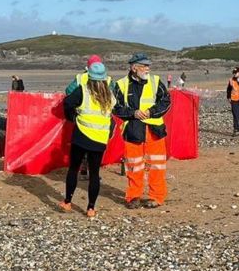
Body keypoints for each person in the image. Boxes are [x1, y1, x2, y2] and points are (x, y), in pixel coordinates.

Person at [112, 53, 171, 209]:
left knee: (157, 165)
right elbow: (115, 107)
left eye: (148, 66)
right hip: (132, 130)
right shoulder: (121, 84)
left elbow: (166, 102)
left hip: (154, 130)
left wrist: (151, 112)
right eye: (144, 66)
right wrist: (133, 113)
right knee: (133, 165)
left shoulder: (156, 81)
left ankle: (156, 197)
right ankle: (133, 197)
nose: (148, 68)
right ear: (134, 67)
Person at [60, 61, 114, 217]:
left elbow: (67, 102)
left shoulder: (83, 91)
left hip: (82, 135)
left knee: (74, 168)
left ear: (89, 77)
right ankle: (91, 208)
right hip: (99, 139)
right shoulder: (109, 95)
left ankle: (68, 201)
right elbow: (114, 112)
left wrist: (72, 117)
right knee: (95, 174)